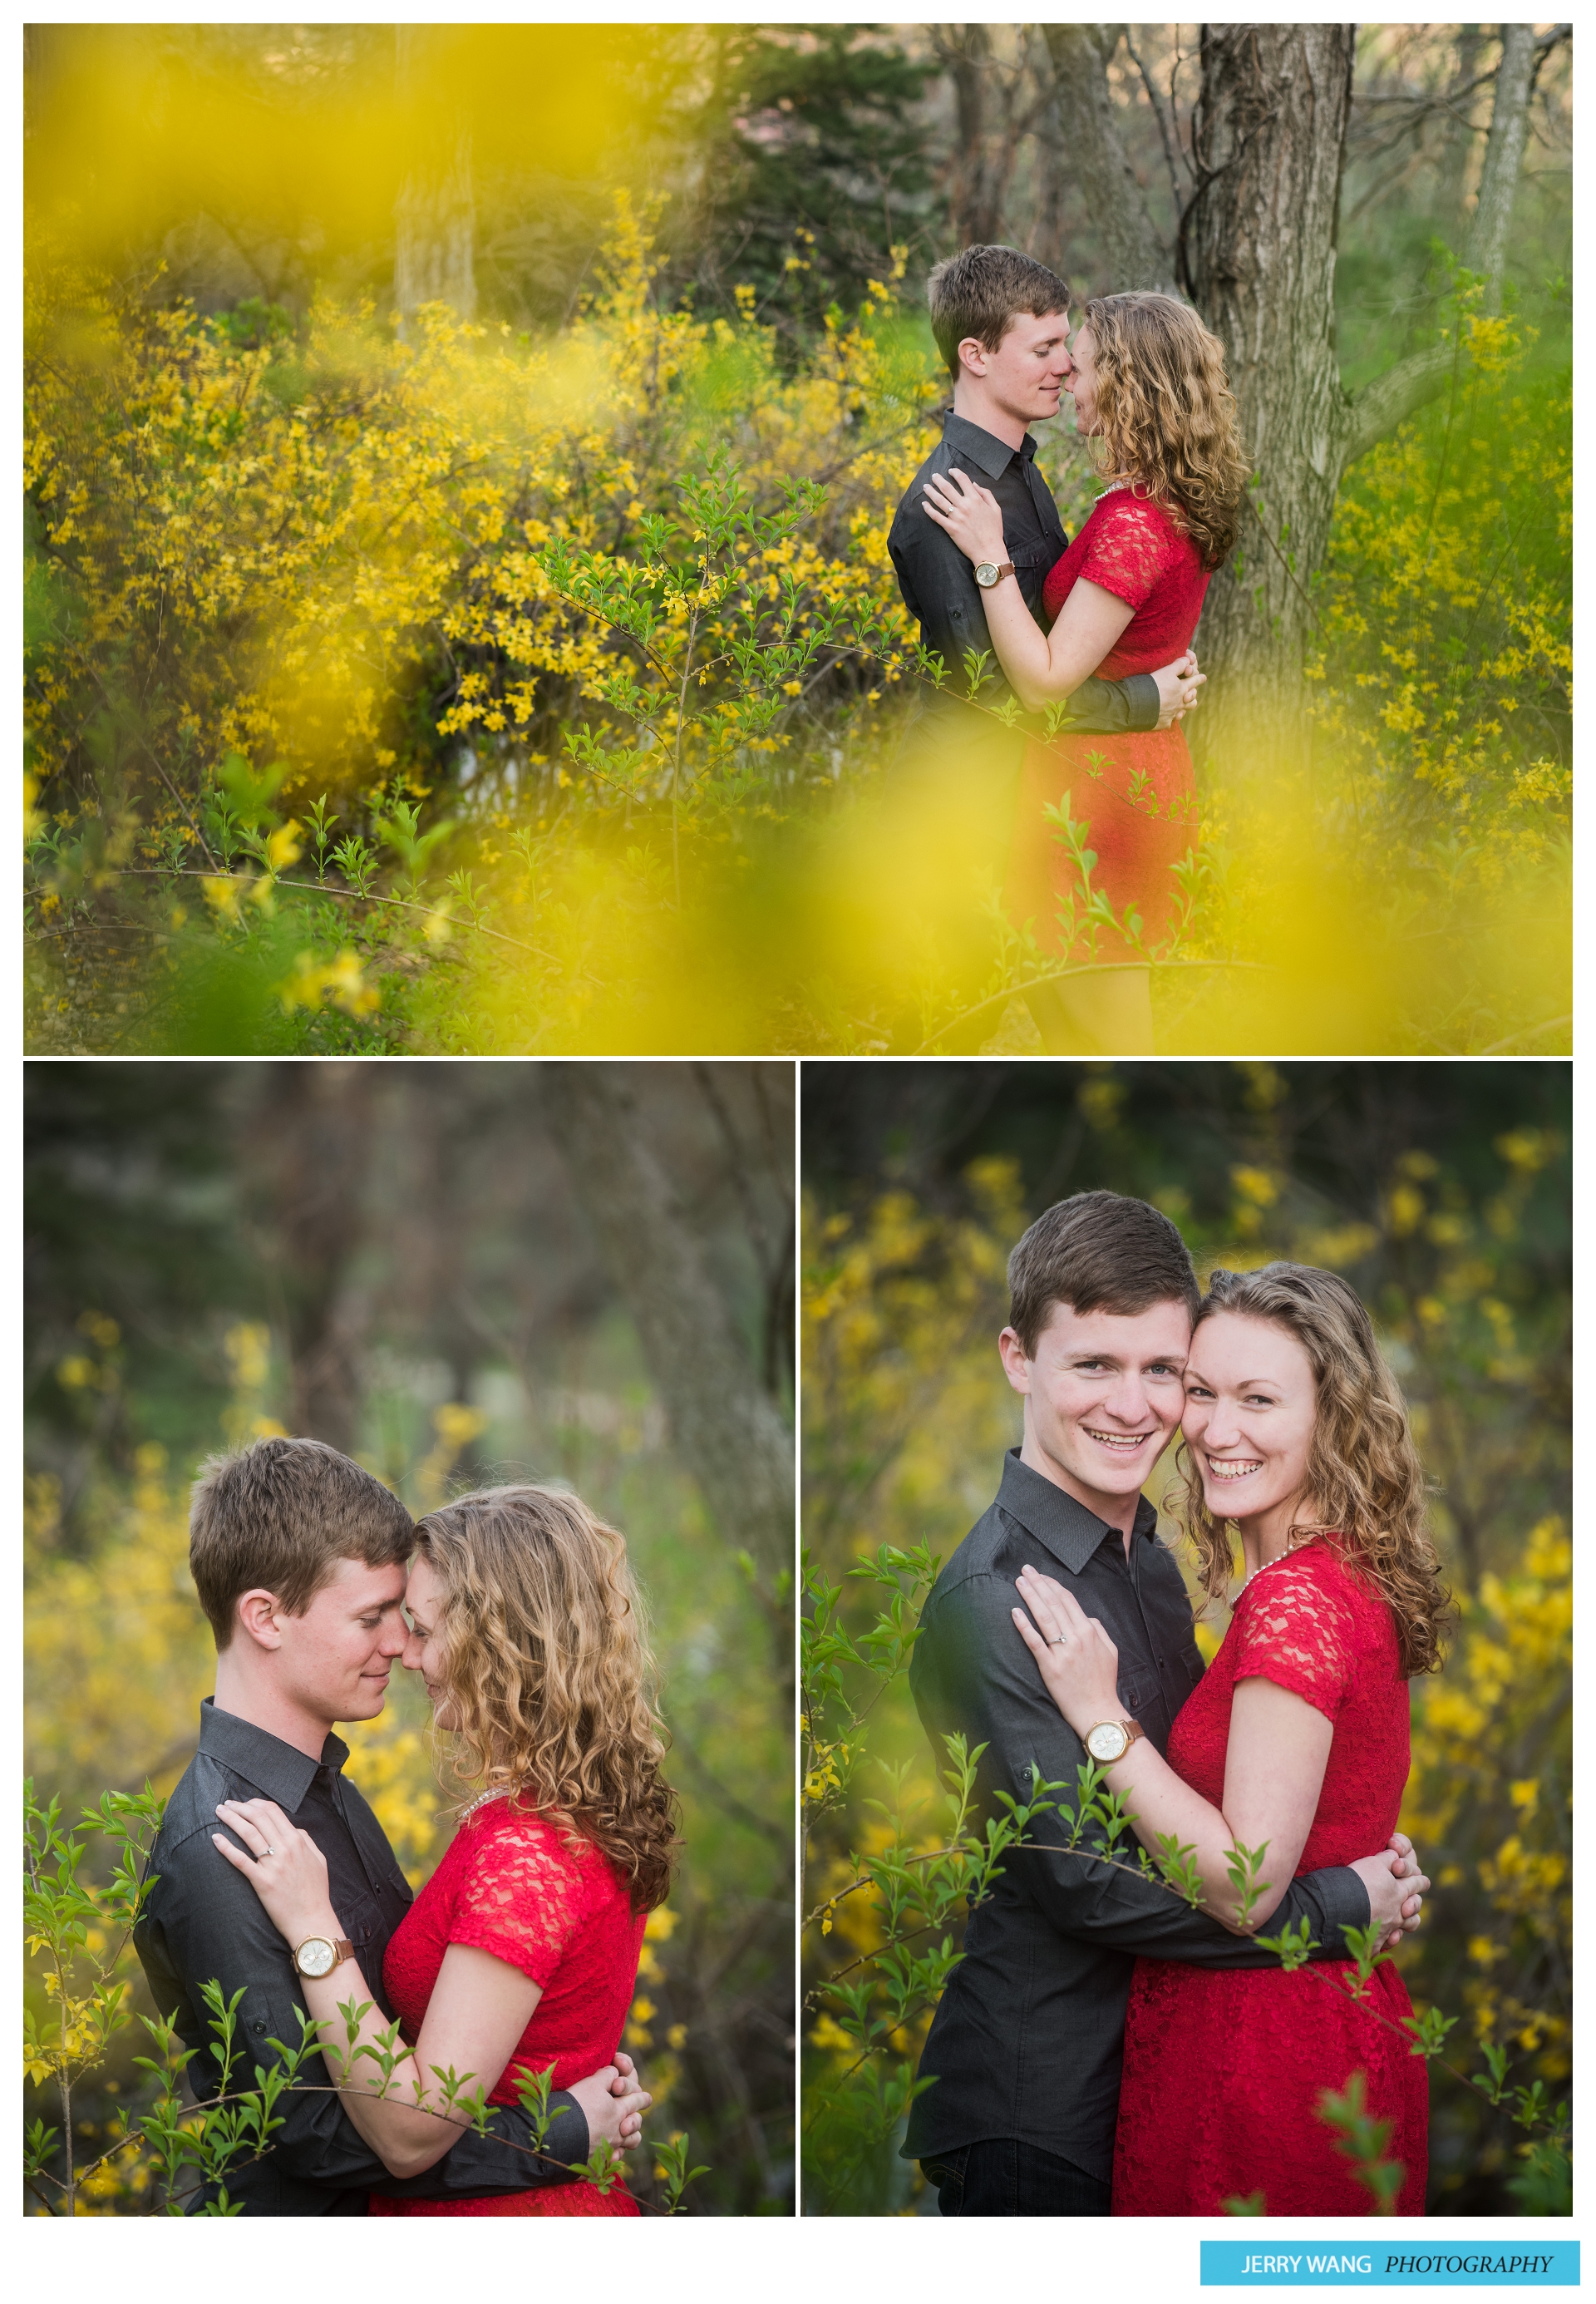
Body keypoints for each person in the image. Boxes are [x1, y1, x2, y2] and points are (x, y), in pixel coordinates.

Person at [902, 1192, 1426, 2218]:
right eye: (1095, 1364)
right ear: (1019, 1358)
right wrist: (1339, 1906)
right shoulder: (996, 1599)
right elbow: (1088, 1886)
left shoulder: (1150, 1561)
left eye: (1164, 1372)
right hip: (1042, 2110)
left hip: (1176, 2071)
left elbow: (1218, 1797)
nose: (1135, 1406)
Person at [134, 1437, 648, 2215]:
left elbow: (425, 2044)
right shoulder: (223, 1841)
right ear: (266, 1617)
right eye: (374, 1616)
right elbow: (318, 2144)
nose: (400, 1647)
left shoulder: (330, 1792)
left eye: (407, 1619)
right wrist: (558, 2131)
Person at [883, 248, 1202, 1054]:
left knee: (1097, 1041)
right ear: (976, 355)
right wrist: (1140, 703)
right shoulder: (945, 505)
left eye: (1070, 348)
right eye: (1046, 349)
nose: (1066, 367)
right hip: (969, 825)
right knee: (949, 1039)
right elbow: (993, 697)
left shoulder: (1025, 473)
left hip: (1042, 815)